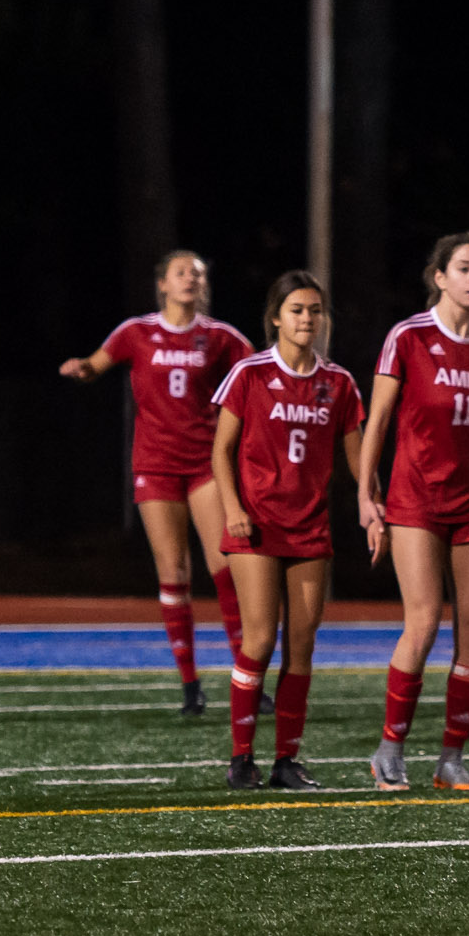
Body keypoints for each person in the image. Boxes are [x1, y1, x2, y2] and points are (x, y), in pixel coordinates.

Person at [59, 251, 254, 715]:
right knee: (174, 572)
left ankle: (248, 676)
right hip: (156, 463)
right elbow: (96, 364)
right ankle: (190, 686)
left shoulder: (221, 337)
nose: (190, 279)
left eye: (198, 274)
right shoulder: (136, 332)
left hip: (206, 463)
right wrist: (80, 369)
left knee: (224, 564)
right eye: (181, 273)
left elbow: (258, 371)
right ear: (162, 284)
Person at [356, 234, 469, 792]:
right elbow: (376, 421)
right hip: (416, 500)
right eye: (465, 268)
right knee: (422, 622)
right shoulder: (409, 336)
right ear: (439, 276)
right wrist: (364, 495)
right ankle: (389, 749)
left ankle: (451, 759)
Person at [210, 270, 364, 789]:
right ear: (276, 317)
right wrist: (232, 507)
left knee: (302, 644)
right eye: (297, 309)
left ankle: (285, 761)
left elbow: (358, 456)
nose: (307, 318)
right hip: (255, 524)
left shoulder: (338, 382)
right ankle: (240, 757)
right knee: (258, 639)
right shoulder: (250, 373)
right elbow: (221, 451)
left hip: (309, 528)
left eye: (315, 310)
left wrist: (374, 503)